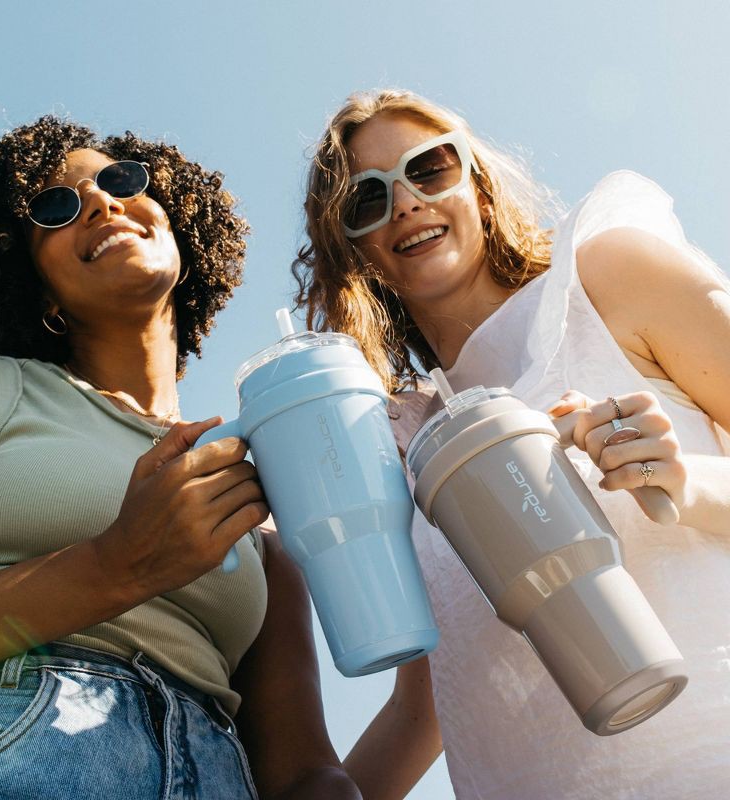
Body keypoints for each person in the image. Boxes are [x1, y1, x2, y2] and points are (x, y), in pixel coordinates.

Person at [292, 89, 730, 799]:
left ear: (479, 182)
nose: (404, 202)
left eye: (428, 167)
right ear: (357, 251)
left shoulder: (606, 280)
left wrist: (690, 483)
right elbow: (429, 705)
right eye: (366, 200)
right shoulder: (397, 443)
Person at [0, 116, 361, 800]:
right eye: (55, 208)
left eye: (120, 179)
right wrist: (111, 568)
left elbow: (304, 771)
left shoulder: (260, 511)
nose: (101, 202)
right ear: (35, 283)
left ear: (178, 223)